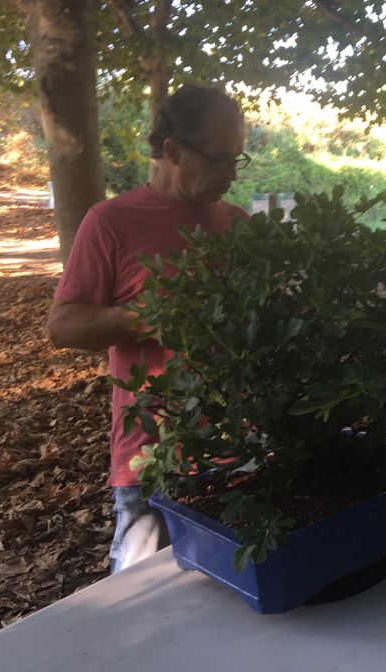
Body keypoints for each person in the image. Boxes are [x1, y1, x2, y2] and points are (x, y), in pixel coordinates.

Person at [46, 84, 250, 573]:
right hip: (152, 456)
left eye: (237, 161)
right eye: (220, 160)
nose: (231, 174)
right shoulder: (110, 221)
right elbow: (63, 326)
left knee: (234, 588)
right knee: (141, 595)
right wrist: (149, 315)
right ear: (173, 150)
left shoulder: (238, 224)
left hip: (237, 447)